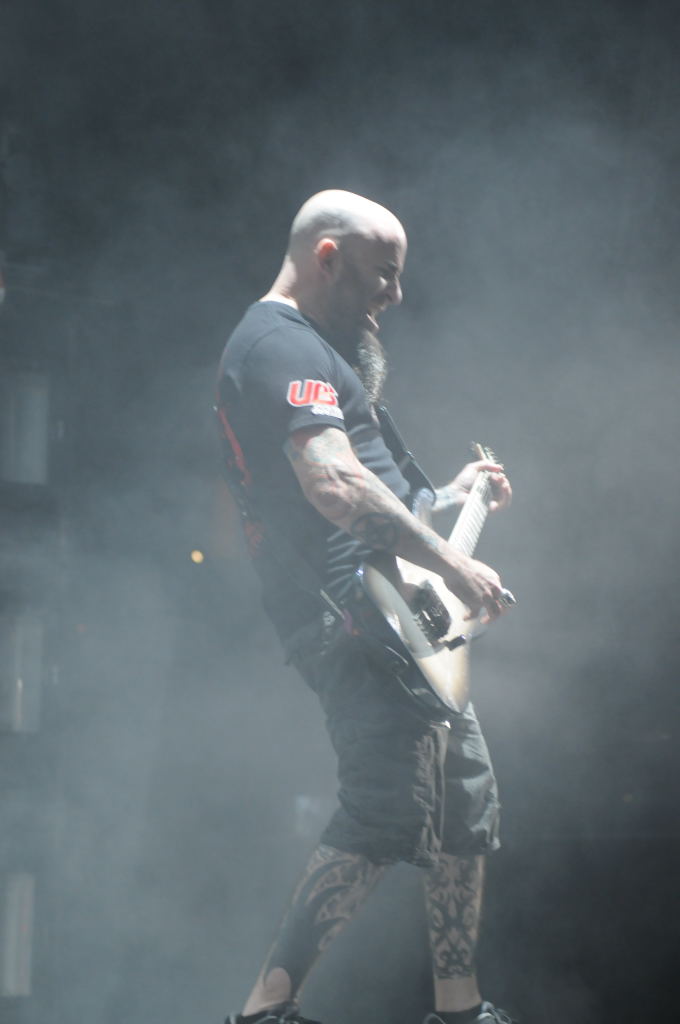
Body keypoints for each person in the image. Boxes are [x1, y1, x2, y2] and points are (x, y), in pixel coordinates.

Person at [216, 190, 515, 1024]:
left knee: (463, 805)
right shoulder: (277, 343)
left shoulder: (321, 354)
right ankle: (263, 1013)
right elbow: (337, 488)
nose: (396, 294)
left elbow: (374, 489)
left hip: (399, 619)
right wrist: (455, 563)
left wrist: (450, 497)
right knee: (386, 806)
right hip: (353, 620)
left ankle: (460, 1011)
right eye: (384, 273)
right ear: (327, 258)